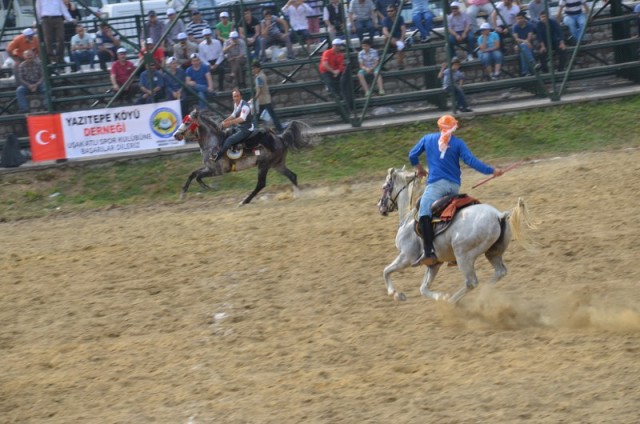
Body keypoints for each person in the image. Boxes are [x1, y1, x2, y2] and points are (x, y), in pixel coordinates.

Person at [408, 115, 503, 266]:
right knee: (450, 213)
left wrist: (420, 169)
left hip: (435, 186)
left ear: (439, 127)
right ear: (453, 128)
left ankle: (428, 252)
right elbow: (471, 161)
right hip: (453, 187)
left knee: (424, 210)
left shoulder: (427, 139)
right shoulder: (458, 143)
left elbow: (412, 155)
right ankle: (451, 256)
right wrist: (492, 170)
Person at [214, 89, 255, 161]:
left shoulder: (245, 106)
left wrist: (229, 123)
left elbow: (241, 119)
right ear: (233, 97)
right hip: (240, 127)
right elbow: (233, 115)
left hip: (246, 129)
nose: (236, 98)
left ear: (240, 96)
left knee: (229, 140)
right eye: (234, 96)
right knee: (227, 133)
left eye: (237, 96)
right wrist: (223, 122)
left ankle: (218, 155)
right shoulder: (236, 104)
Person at [36, 0, 75, 66]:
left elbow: (62, 8)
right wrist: (38, 20)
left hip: (58, 18)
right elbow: (38, 9)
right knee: (48, 39)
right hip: (46, 19)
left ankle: (60, 58)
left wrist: (70, 19)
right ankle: (52, 59)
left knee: (61, 38)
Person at [319, 38, 352, 110]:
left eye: (339, 46)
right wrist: (333, 71)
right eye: (336, 45)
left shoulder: (340, 55)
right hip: (326, 71)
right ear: (333, 45)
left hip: (334, 71)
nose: (338, 47)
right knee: (330, 81)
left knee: (342, 80)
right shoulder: (327, 52)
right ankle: (334, 94)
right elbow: (325, 64)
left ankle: (341, 96)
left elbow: (341, 66)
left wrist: (337, 71)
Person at [251, 61, 284, 133]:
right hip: (264, 100)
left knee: (268, 115)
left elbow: (260, 90)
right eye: (252, 69)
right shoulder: (261, 75)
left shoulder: (259, 77)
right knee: (259, 115)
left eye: (254, 68)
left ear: (258, 68)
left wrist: (254, 99)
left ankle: (280, 129)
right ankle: (279, 128)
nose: (253, 70)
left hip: (264, 100)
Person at [381, 5, 406, 69]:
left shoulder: (400, 18)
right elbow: (385, 31)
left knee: (400, 45)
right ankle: (399, 63)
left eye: (391, 11)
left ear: (395, 11)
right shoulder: (385, 20)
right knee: (387, 38)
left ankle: (400, 64)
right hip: (390, 40)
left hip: (399, 38)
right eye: (388, 11)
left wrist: (402, 39)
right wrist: (391, 38)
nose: (389, 12)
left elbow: (403, 29)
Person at [512, 11, 536, 76]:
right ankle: (532, 62)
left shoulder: (529, 25)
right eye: (518, 19)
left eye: (521, 18)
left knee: (523, 51)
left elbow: (529, 37)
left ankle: (525, 72)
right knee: (523, 47)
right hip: (520, 46)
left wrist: (526, 42)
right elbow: (516, 39)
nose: (519, 20)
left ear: (524, 18)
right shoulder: (515, 27)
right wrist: (525, 42)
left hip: (529, 46)